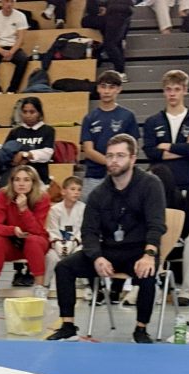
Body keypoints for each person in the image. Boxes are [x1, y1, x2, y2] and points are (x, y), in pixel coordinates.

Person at [47, 134, 166, 343]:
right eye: (110, 156)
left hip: (139, 251)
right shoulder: (98, 193)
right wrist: (96, 258)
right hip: (108, 251)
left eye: (120, 156)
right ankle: (67, 326)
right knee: (64, 267)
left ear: (133, 158)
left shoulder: (150, 184)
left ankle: (141, 329)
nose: (114, 161)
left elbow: (156, 225)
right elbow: (89, 232)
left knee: (148, 271)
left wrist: (149, 254)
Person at [0, 165, 51, 303]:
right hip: (11, 241)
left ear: (33, 182)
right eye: (17, 179)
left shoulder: (42, 197)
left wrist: (24, 209)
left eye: (26, 180)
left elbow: (38, 230)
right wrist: (12, 230)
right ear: (12, 181)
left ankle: (39, 287)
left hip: (35, 242)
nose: (21, 183)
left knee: (33, 240)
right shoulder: (3, 194)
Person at [142, 70, 189, 197]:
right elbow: (150, 151)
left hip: (186, 182)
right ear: (164, 91)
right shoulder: (152, 121)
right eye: (168, 89)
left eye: (177, 89)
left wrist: (166, 146)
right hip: (158, 183)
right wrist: (184, 149)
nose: (172, 94)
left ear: (185, 90)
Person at [80, 70, 140, 199]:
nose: (107, 91)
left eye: (111, 87)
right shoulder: (89, 118)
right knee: (91, 215)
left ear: (119, 89)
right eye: (103, 86)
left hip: (121, 176)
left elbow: (133, 149)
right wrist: (110, 162)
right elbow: (88, 150)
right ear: (97, 89)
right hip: (93, 176)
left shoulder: (128, 116)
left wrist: (115, 164)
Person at [44, 176, 86, 289]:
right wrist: (58, 244)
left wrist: (74, 243)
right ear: (63, 191)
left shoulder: (83, 208)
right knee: (51, 257)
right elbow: (52, 229)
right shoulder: (55, 209)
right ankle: (45, 285)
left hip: (76, 244)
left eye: (79, 189)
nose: (76, 192)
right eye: (72, 189)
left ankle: (85, 284)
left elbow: (83, 229)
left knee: (82, 254)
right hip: (58, 244)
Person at [2, 97, 56, 184]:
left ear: (39, 113)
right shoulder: (15, 131)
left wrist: (25, 155)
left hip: (39, 178)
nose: (28, 115)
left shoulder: (48, 130)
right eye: (25, 112)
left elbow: (47, 153)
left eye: (32, 112)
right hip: (17, 179)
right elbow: (6, 151)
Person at [0, 0, 29, 95]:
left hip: (14, 47)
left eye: (11, 1)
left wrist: (11, 52)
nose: (9, 4)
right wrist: (2, 51)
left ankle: (12, 89)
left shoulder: (20, 16)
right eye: (7, 1)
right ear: (2, 2)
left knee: (23, 59)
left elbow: (21, 39)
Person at [81, 0, 132, 82]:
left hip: (114, 12)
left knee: (110, 44)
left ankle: (120, 73)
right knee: (115, 43)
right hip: (122, 12)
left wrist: (100, 9)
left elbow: (92, 7)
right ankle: (120, 71)